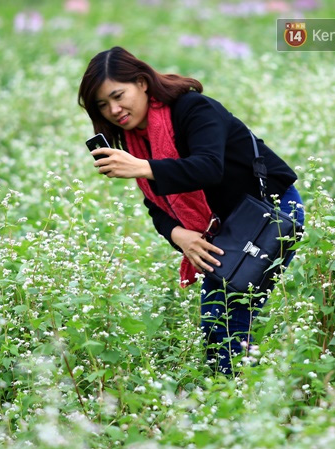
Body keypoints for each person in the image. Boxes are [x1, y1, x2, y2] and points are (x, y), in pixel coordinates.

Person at [77, 46, 304, 375]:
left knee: (227, 316)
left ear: (142, 83)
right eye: (102, 105)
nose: (114, 109)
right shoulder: (137, 138)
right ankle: (233, 392)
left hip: (271, 213)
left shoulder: (193, 109)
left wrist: (143, 167)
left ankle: (234, 394)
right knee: (219, 320)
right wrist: (178, 233)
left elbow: (209, 167)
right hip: (228, 225)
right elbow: (157, 203)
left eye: (118, 95)